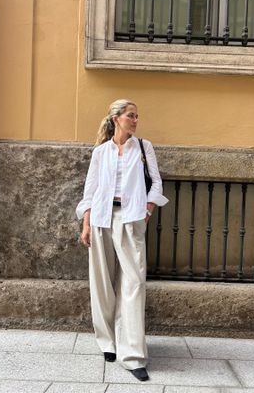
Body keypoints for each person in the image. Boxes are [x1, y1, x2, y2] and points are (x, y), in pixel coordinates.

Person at [76, 99, 168, 381]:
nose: (136, 120)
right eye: (131, 116)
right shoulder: (101, 152)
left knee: (134, 283)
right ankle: (108, 342)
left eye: (137, 116)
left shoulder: (143, 147)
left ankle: (133, 355)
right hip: (102, 218)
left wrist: (148, 210)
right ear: (117, 119)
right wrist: (86, 223)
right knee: (102, 282)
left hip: (130, 220)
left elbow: (157, 182)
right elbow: (90, 191)